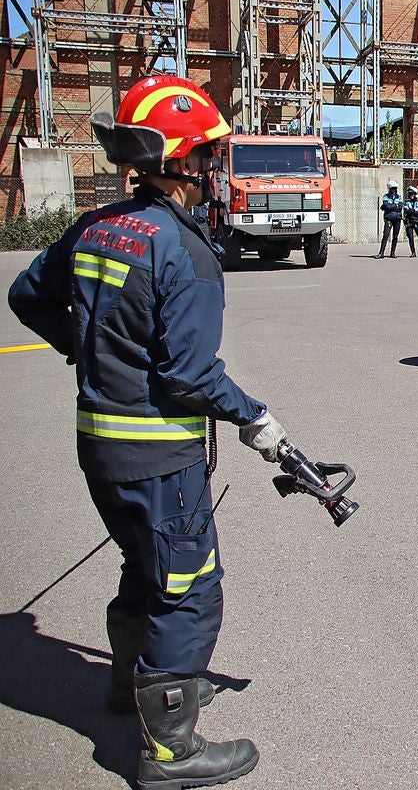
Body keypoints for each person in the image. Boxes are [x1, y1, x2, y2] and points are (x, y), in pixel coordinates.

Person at [7, 76, 283, 789]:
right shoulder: (186, 254)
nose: (218, 170)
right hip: (159, 455)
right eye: (211, 156)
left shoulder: (98, 226)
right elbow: (191, 377)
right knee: (188, 589)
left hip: (99, 448)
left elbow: (26, 294)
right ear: (182, 161)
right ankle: (170, 752)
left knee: (143, 566)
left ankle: (129, 686)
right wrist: (255, 418)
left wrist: (86, 345)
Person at [378, 179, 403, 258]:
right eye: (392, 188)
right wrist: (395, 206)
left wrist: (391, 206)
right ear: (389, 189)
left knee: (395, 236)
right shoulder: (386, 196)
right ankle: (381, 252)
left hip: (397, 218)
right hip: (389, 218)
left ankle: (393, 252)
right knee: (385, 235)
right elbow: (386, 206)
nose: (394, 190)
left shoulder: (399, 197)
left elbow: (400, 207)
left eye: (395, 188)